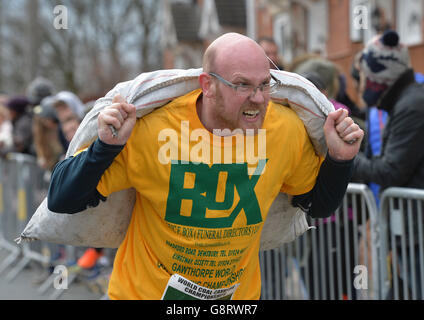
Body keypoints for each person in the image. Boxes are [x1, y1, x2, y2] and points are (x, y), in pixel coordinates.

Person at [47, 33, 363, 300]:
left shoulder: (284, 130)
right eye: (242, 85)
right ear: (207, 85)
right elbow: (62, 198)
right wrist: (105, 147)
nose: (257, 99)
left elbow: (318, 206)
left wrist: (340, 161)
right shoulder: (152, 128)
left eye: (264, 85)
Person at [353, 30, 424, 299]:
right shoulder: (406, 100)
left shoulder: (412, 106)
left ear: (379, 79)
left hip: (417, 234)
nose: (362, 87)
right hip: (409, 230)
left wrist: (345, 158)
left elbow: (391, 171)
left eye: (364, 79)